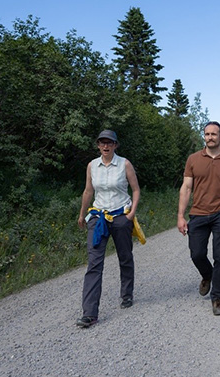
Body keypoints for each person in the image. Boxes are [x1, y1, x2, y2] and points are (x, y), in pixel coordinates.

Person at [177, 121, 220, 316]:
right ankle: (207, 275)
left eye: (214, 134)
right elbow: (186, 188)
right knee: (196, 254)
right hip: (198, 213)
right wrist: (181, 216)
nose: (210, 137)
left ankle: (217, 298)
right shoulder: (193, 159)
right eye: (207, 134)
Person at [76, 130, 141, 328]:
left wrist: (131, 214)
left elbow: (136, 189)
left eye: (109, 143)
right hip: (98, 217)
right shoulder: (92, 166)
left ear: (115, 145)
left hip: (121, 216)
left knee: (125, 256)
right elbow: (88, 190)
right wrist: (82, 214)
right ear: (98, 145)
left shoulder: (124, 164)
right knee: (94, 263)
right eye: (102, 143)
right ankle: (89, 313)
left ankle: (127, 294)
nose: (106, 146)